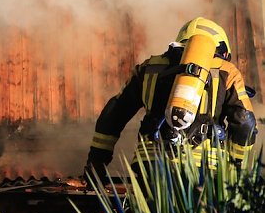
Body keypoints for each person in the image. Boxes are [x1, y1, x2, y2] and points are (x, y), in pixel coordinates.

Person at [85, 16, 257, 175]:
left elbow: (113, 115)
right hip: (204, 168)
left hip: (150, 165)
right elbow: (244, 122)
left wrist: (96, 163)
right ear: (223, 51)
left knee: (151, 209)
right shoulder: (226, 71)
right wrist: (237, 165)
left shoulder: (148, 68)